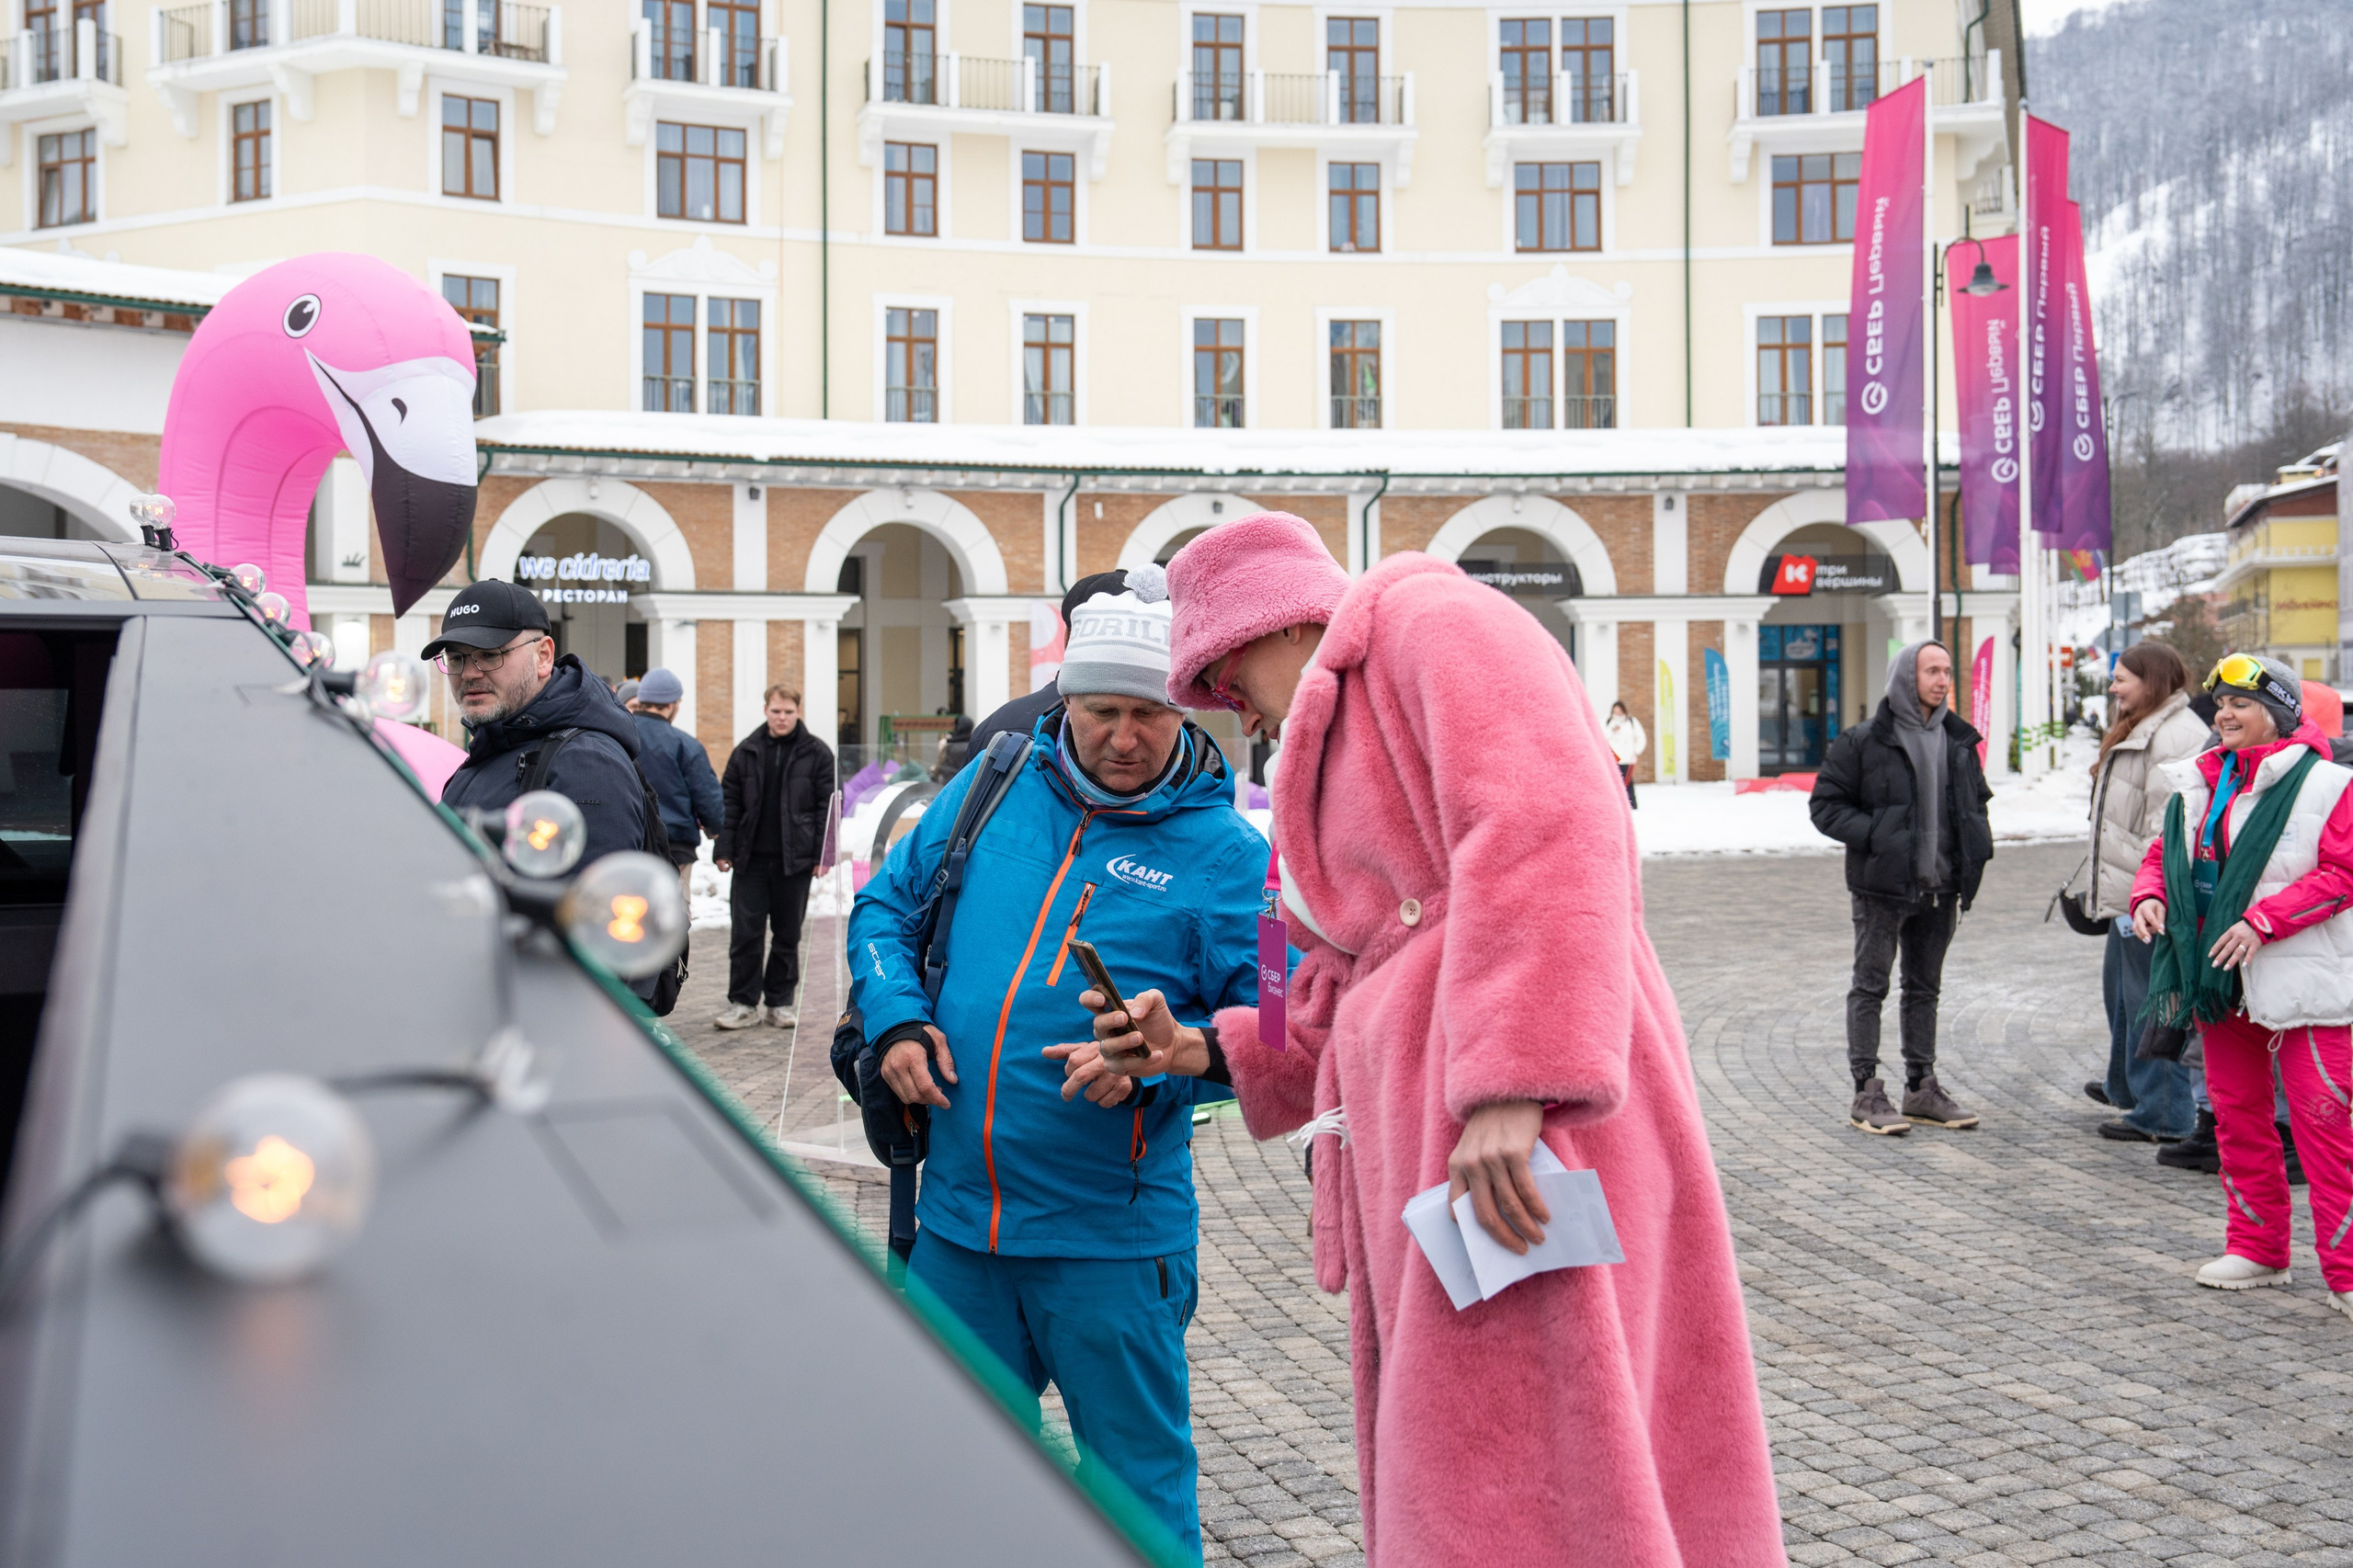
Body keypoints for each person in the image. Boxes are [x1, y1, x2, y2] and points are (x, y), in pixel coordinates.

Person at [1072, 514, 1784, 1566]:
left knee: (1548, 1442)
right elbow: (1300, 980)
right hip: (1430, 1139)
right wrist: (1199, 1044)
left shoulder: (1429, 620)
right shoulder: (1295, 779)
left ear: (1252, 630)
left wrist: (1513, 1083)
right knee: (1483, 1451)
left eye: (1216, 679)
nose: (1227, 707)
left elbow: (1550, 819)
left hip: (1513, 1117)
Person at [847, 578, 1263, 1564]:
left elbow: (1288, 1040)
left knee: (1138, 1498)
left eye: (1148, 713)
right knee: (951, 1480)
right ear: (1064, 704)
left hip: (1109, 1246)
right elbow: (882, 910)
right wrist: (897, 1017)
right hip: (955, 1227)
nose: (1122, 736)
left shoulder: (1231, 856)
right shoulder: (993, 786)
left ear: (1184, 711)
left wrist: (1173, 1058)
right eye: (1099, 711)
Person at [2129, 655, 2353, 1313]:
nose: (2223, 714)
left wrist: (2264, 920)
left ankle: (2347, 1271)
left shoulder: (2330, 784)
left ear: (2278, 716)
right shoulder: (2200, 781)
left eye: (2241, 704)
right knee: (2237, 1117)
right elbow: (2162, 853)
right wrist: (2149, 895)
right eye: (2220, 702)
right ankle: (2258, 1247)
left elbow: (2342, 874)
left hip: (2306, 981)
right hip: (2220, 980)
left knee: (2324, 1124)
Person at [1809, 642, 1995, 1136]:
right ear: (1905, 676)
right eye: (1932, 670)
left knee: (1924, 989)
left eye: (1948, 671)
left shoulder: (1957, 741)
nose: (1943, 679)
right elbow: (1825, 806)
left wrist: (1975, 846)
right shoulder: (1865, 740)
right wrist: (1879, 836)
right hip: (1882, 889)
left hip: (1941, 888)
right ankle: (1866, 1090)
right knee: (1871, 986)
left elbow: (1975, 804)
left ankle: (1921, 1086)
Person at [2080, 643, 2207, 1143]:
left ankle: (2164, 1112)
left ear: (2151, 681)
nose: (2113, 687)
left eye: (2122, 678)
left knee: (2156, 1002)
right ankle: (2126, 1087)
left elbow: (2168, 830)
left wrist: (2147, 895)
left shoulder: (2175, 737)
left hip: (2148, 898)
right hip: (2127, 892)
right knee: (2123, 996)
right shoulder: (2147, 725)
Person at [430, 581, 647, 866]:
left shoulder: (587, 762)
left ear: (543, 656)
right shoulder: (493, 745)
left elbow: (593, 902)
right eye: (456, 658)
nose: (470, 673)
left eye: (490, 655)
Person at [713, 687, 835, 1030]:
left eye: (788, 712)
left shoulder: (817, 753)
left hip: (794, 862)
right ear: (766, 710)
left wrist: (823, 854)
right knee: (746, 934)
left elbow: (828, 808)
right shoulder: (746, 751)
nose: (781, 718)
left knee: (787, 935)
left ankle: (780, 1003)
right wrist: (724, 848)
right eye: (776, 711)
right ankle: (742, 1003)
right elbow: (730, 804)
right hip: (750, 860)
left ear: (799, 711)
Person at [965, 569, 1128, 757]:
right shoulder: (1165, 727)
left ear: (1067, 639)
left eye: (1146, 713)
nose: (1124, 743)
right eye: (1103, 711)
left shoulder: (996, 726)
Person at [627, 667, 723, 903]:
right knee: (673, 917)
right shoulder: (685, 744)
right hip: (675, 847)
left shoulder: (621, 736)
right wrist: (715, 827)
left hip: (630, 842)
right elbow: (707, 797)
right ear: (671, 705)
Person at [1604, 699, 1646, 809]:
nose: (1618, 713)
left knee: (1628, 782)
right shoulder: (1607, 721)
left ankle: (1631, 805)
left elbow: (1640, 737)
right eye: (1615, 711)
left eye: (1619, 710)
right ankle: (1615, 805)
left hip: (1628, 757)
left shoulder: (1631, 722)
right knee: (1614, 782)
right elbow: (1601, 737)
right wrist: (1612, 730)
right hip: (1613, 758)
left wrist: (1636, 751)